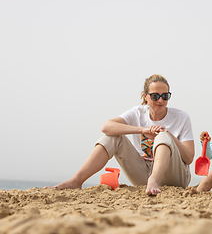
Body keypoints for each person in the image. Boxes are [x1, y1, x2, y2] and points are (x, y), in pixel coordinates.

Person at [46, 74, 195, 195]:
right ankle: (76, 181)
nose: (161, 100)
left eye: (165, 96)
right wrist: (142, 130)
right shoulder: (138, 113)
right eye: (155, 96)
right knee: (113, 136)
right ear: (145, 96)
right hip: (144, 173)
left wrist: (168, 135)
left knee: (163, 136)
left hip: (174, 176)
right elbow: (106, 127)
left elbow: (188, 158)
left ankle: (154, 180)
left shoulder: (181, 117)